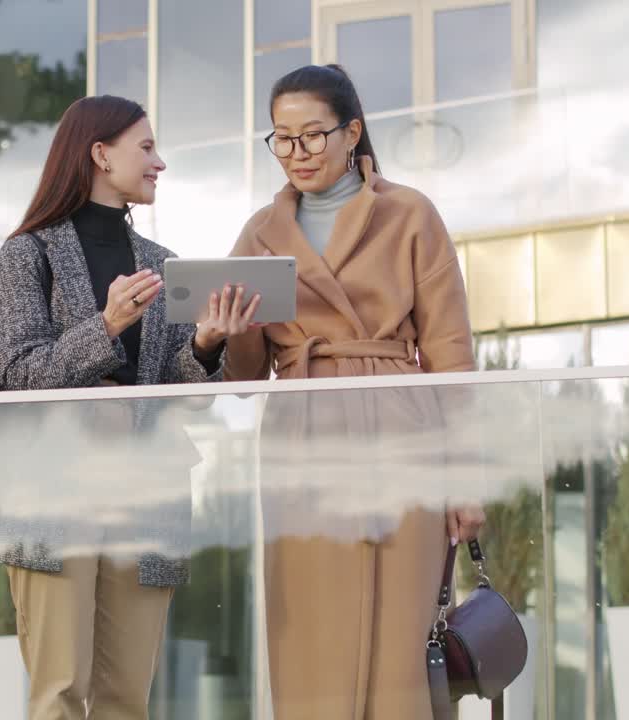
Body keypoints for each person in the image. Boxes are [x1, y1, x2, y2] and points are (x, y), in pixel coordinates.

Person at [0, 94, 259, 719]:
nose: (159, 162)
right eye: (147, 147)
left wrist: (206, 343)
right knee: (59, 690)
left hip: (147, 487)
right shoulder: (27, 254)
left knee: (128, 696)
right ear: (100, 154)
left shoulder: (161, 265)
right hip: (54, 488)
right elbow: (17, 372)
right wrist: (104, 327)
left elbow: (175, 387)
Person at [223, 64, 486, 718]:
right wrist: (230, 331)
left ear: (352, 132)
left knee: (401, 630)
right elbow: (245, 375)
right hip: (302, 432)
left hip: (401, 424)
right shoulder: (260, 232)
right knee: (312, 627)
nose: (297, 153)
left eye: (313, 135)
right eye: (282, 139)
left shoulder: (410, 214)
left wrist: (465, 476)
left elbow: (450, 351)